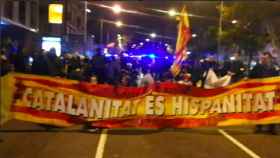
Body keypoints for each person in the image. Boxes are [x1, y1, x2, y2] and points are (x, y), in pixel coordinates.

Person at [250, 52, 279, 135]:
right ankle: (259, 127)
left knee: (271, 110)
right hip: (260, 92)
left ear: (269, 59)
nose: (264, 60)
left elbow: (276, 78)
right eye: (263, 58)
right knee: (260, 109)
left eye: (266, 58)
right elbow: (251, 76)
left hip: (271, 92)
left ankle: (271, 128)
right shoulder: (257, 67)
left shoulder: (273, 68)